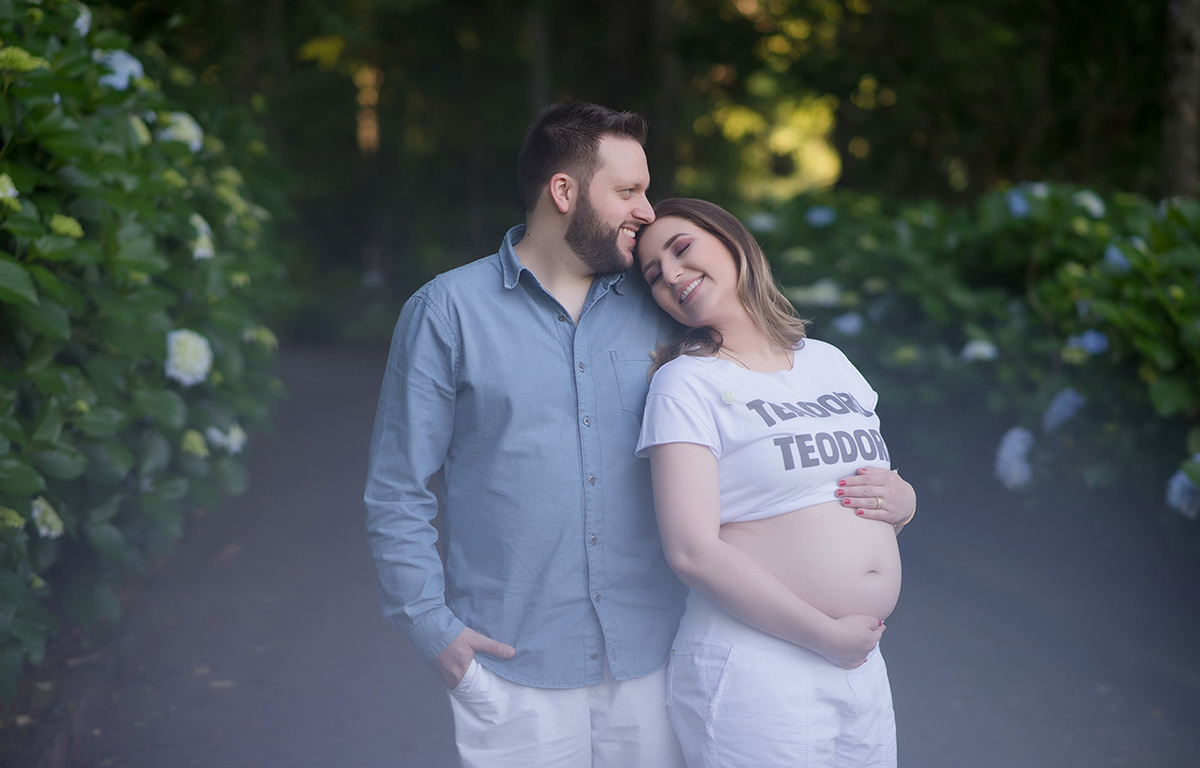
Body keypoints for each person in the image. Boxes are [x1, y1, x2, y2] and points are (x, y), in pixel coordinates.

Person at [364, 102, 689, 768]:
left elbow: (744, 422)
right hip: (512, 668)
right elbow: (398, 487)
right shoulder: (446, 312)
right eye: (628, 191)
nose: (648, 211)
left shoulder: (661, 308)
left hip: (655, 658)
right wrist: (432, 628)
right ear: (564, 191)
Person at [634, 198, 915, 767]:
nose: (672, 276)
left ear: (733, 241)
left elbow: (850, 493)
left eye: (682, 250)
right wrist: (823, 635)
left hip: (858, 661)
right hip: (759, 664)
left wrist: (905, 502)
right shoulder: (684, 384)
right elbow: (691, 551)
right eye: (654, 276)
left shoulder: (829, 362)